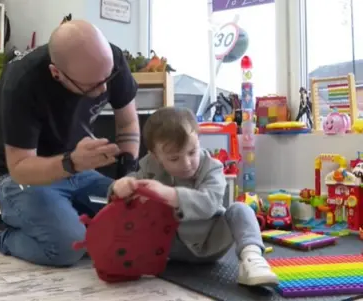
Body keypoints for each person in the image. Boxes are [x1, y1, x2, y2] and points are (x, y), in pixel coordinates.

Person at [0, 20, 141, 267]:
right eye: (93, 85)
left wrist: (127, 174)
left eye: (108, 78)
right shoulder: (22, 82)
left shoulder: (110, 61)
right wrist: (72, 161)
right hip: (22, 177)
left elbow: (128, 124)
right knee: (69, 247)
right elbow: (20, 167)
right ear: (57, 74)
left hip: (78, 170)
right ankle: (1, 230)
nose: (104, 89)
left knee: (134, 221)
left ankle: (59, 214)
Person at [111, 107, 279, 287]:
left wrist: (171, 195)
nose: (187, 163)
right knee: (133, 210)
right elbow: (124, 190)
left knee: (240, 209)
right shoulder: (149, 168)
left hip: (211, 241)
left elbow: (209, 203)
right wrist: (118, 187)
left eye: (192, 152)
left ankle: (252, 259)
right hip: (168, 246)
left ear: (198, 141)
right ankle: (129, 258)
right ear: (156, 157)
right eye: (174, 159)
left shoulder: (212, 168)